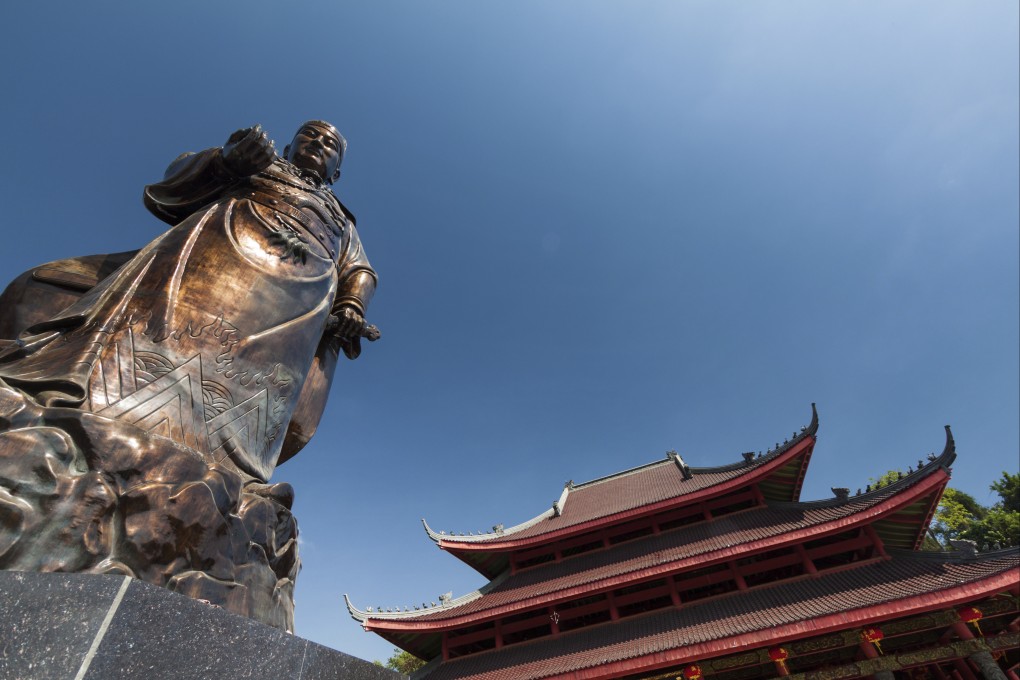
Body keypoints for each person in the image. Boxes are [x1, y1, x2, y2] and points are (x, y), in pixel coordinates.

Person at [0, 121, 377, 482]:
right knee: (148, 346)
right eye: (309, 136)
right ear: (289, 145)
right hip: (212, 262)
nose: (318, 144)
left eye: (330, 145)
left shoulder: (342, 223)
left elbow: (360, 271)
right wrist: (228, 160)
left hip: (294, 308)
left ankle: (225, 468)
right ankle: (92, 410)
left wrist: (352, 305)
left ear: (336, 174)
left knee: (247, 398)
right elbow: (181, 171)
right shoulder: (258, 163)